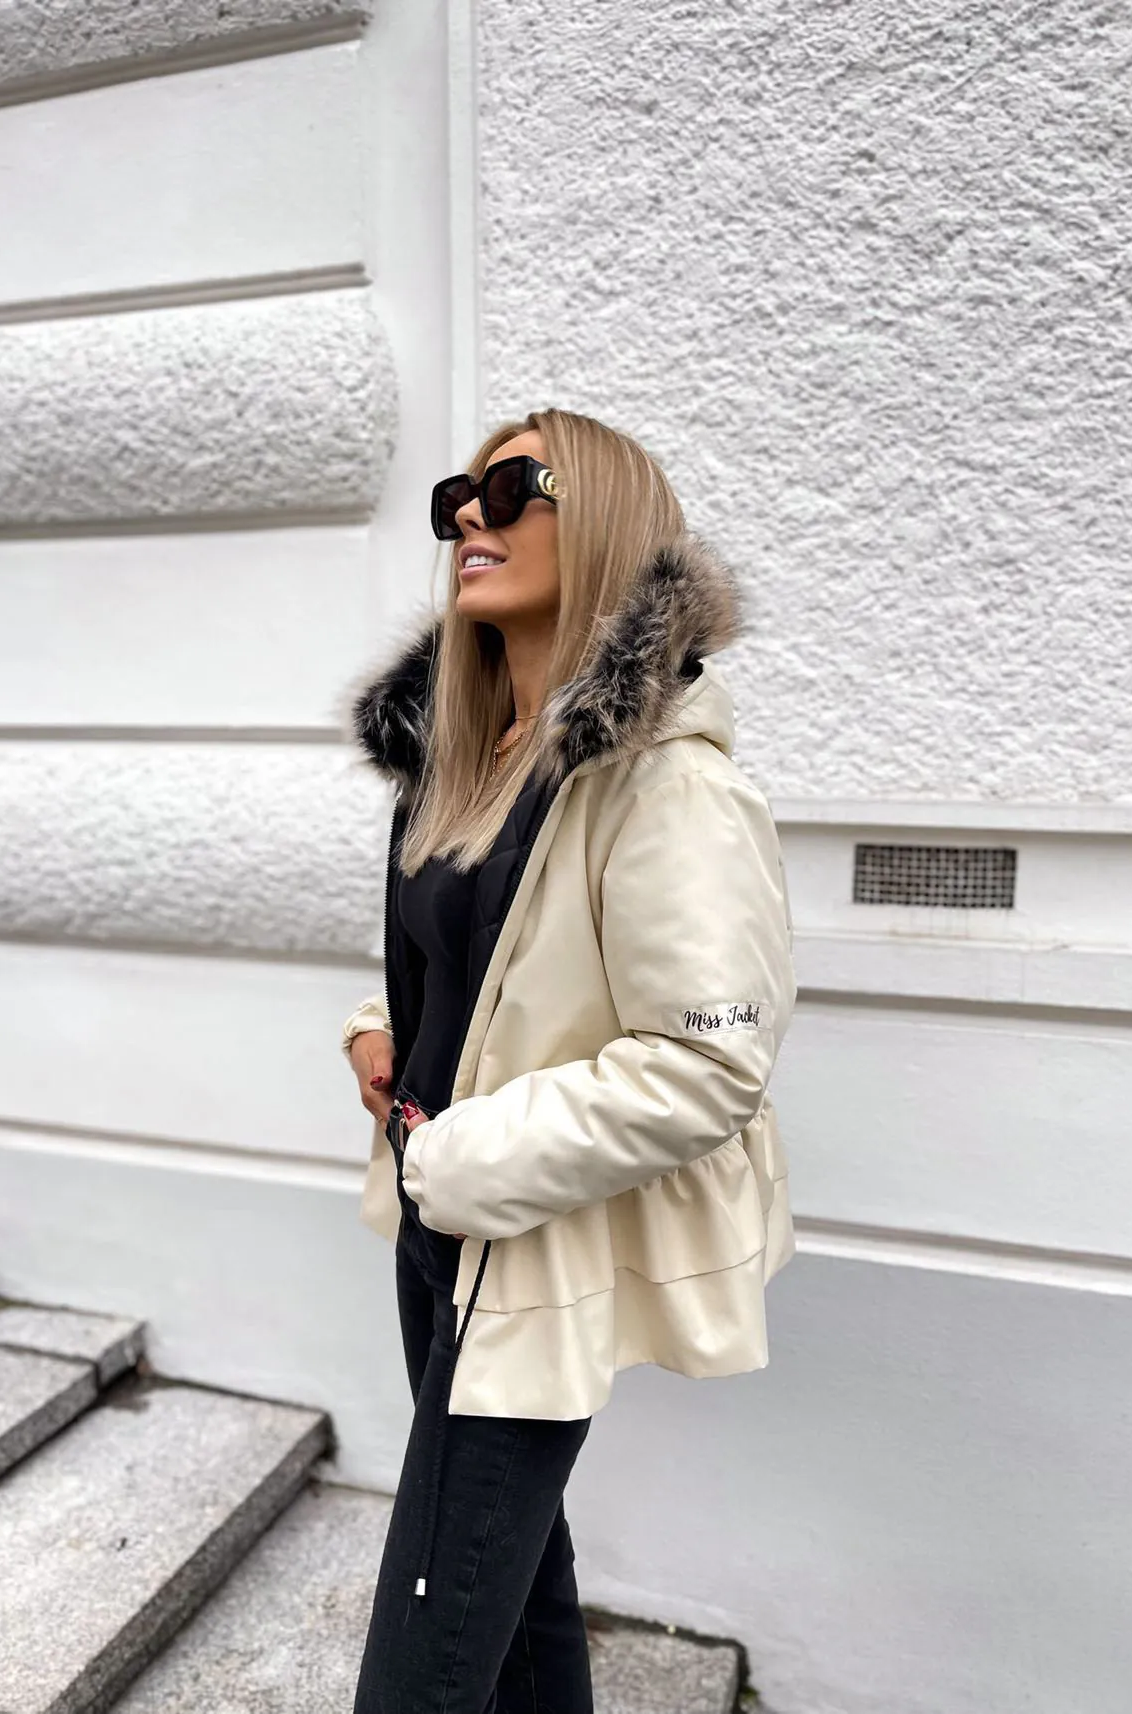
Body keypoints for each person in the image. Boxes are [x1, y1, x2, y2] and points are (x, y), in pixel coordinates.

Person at [341, 406, 797, 1713]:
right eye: (457, 498)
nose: (468, 520)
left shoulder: (668, 785)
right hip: (438, 1228)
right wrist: (378, 1031)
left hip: (528, 1244)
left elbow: (706, 1065)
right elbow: (471, 962)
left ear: (597, 518)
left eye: (508, 492)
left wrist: (459, 1158)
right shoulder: (466, 749)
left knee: (422, 1658)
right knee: (520, 1593)